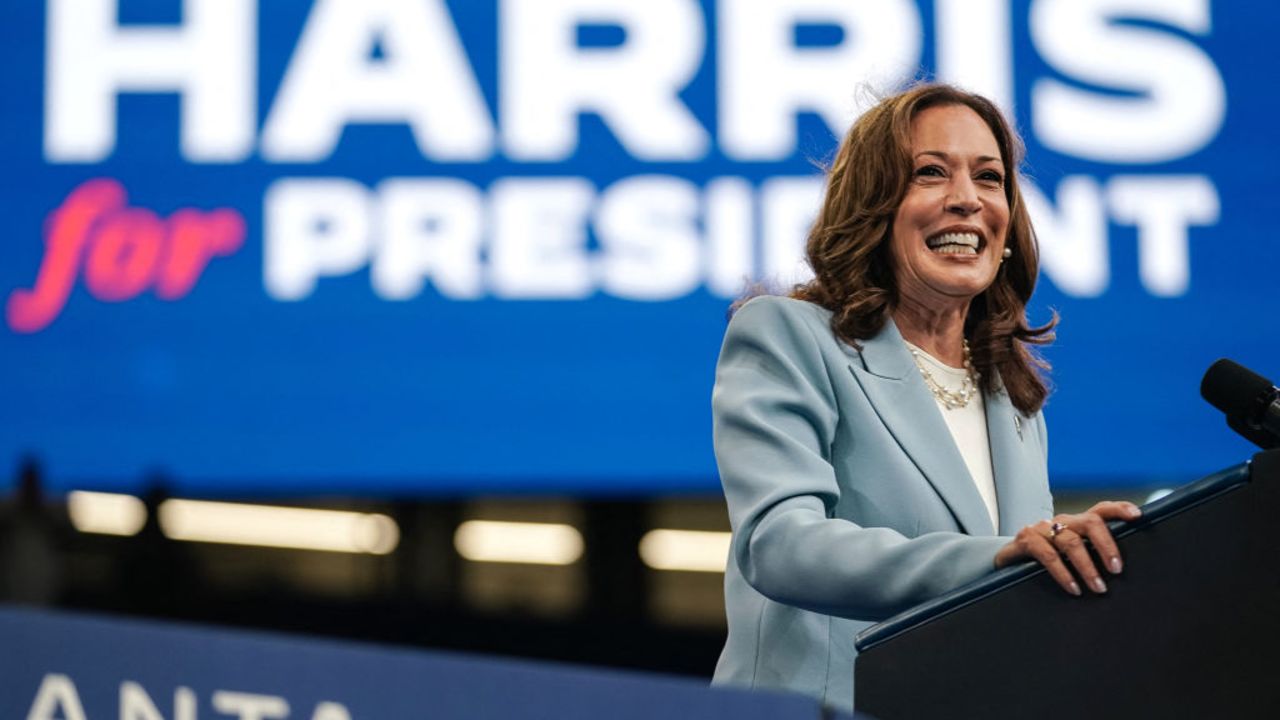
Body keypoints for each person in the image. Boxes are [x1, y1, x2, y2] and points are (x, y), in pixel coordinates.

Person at [709, 83, 1142, 711]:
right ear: (873, 207)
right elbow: (779, 546)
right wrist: (1001, 558)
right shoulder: (789, 335)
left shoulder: (1014, 401)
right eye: (930, 173)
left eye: (990, 179)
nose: (967, 200)